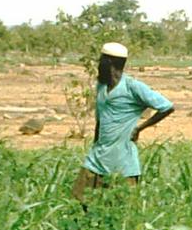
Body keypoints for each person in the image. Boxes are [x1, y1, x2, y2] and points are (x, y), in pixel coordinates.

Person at [71, 42, 174, 201]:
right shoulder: (101, 86)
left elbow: (166, 107)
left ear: (108, 63)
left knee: (120, 209)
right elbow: (100, 118)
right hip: (97, 158)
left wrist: (139, 128)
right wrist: (96, 142)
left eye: (101, 61)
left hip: (122, 163)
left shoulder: (132, 86)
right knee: (78, 201)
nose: (98, 65)